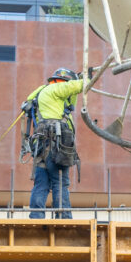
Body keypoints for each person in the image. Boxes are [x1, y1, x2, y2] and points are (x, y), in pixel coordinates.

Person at [22, 67, 83, 219]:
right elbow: (79, 86)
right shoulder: (56, 88)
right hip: (55, 145)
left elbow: (71, 100)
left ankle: (36, 217)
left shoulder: (41, 93)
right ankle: (63, 218)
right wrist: (87, 77)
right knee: (60, 182)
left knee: (41, 183)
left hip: (41, 146)